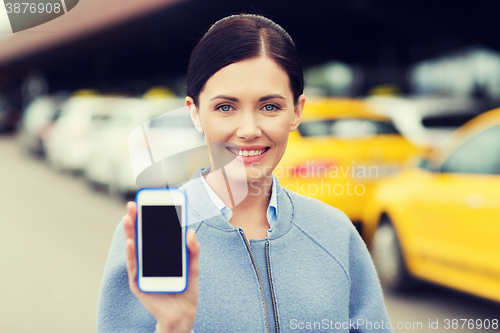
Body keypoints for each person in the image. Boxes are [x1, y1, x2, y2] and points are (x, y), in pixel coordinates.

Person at [97, 13, 393, 333]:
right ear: (195, 113)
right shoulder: (160, 230)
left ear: (297, 112)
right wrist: (174, 327)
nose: (249, 130)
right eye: (225, 107)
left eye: (270, 107)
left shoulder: (334, 233)